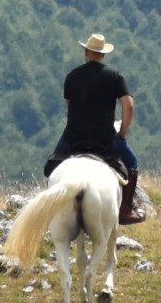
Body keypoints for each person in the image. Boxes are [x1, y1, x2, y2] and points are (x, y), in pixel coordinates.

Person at [45, 32, 143, 223]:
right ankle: (125, 210)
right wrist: (122, 134)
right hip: (105, 139)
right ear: (103, 54)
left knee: (52, 167)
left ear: (86, 52)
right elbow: (128, 106)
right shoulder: (115, 76)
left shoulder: (71, 76)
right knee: (132, 164)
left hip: (73, 137)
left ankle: (51, 209)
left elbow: (69, 104)